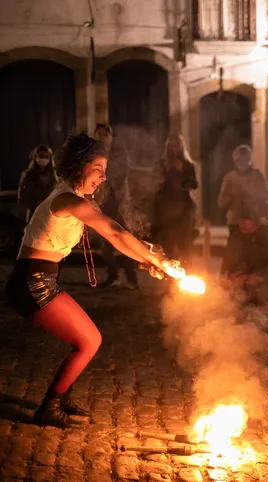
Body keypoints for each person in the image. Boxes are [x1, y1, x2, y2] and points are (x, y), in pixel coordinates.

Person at [4, 133, 167, 428]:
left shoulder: (75, 198)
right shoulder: (66, 199)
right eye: (98, 170)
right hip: (32, 282)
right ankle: (48, 408)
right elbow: (115, 233)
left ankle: (61, 396)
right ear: (80, 166)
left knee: (86, 340)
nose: (103, 178)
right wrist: (157, 260)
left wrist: (147, 258)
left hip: (39, 279)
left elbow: (118, 236)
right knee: (89, 340)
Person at [93, 124, 139, 289]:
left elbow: (117, 174)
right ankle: (113, 277)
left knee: (127, 243)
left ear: (111, 137)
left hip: (120, 205)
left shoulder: (120, 154)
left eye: (106, 134)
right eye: (99, 134)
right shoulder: (92, 156)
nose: (103, 137)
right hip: (103, 205)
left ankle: (132, 279)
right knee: (105, 246)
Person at [221, 203, 268, 309]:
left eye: (248, 220)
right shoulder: (235, 238)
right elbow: (227, 264)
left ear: (256, 221)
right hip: (241, 283)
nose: (244, 223)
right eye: (242, 220)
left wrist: (260, 276)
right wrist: (232, 275)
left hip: (265, 283)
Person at [152, 134, 199, 265]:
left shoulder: (188, 165)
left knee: (184, 243)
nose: (174, 149)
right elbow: (155, 184)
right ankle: (170, 278)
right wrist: (166, 173)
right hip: (166, 209)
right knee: (168, 244)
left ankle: (188, 274)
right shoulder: (161, 164)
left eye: (176, 145)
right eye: (171, 145)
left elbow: (194, 184)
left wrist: (181, 173)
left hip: (184, 208)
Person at [217, 144, 268, 236]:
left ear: (250, 161)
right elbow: (221, 202)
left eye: (245, 160)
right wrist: (232, 195)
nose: (242, 163)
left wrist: (252, 196)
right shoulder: (230, 178)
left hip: (254, 221)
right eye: (238, 160)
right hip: (236, 221)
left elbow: (265, 195)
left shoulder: (257, 176)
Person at [17, 145, 58, 222]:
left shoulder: (54, 177)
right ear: (35, 157)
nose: (43, 159)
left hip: (51, 215)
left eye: (46, 156)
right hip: (34, 215)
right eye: (41, 156)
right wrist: (37, 203)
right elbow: (22, 197)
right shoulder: (28, 175)